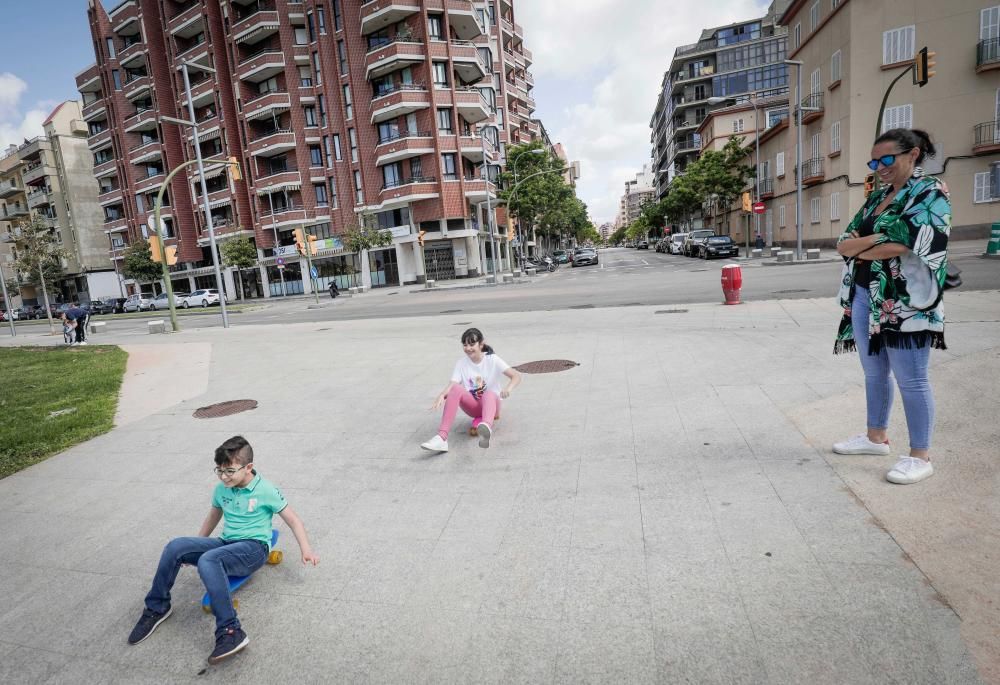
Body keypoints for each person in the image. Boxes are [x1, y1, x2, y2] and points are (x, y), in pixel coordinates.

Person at [127, 436, 319, 664]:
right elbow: (213, 516)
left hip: (254, 548)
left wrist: (306, 549)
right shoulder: (222, 489)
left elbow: (293, 519)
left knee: (209, 560)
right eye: (219, 470)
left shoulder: (266, 490)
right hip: (226, 543)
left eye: (229, 471)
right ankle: (157, 607)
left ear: (248, 467)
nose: (223, 476)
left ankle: (231, 631)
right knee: (176, 546)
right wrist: (195, 545)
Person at [832, 128, 950, 485]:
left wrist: (864, 246)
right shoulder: (877, 197)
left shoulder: (929, 191)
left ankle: (920, 455)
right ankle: (875, 437)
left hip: (905, 301)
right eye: (875, 161)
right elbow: (842, 242)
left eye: (887, 159)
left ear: (912, 154)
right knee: (874, 372)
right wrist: (875, 242)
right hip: (866, 294)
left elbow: (906, 243)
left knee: (912, 379)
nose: (880, 167)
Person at [421, 327, 522, 452]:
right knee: (456, 388)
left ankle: (486, 429)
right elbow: (453, 384)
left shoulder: (492, 359)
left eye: (472, 344)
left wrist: (508, 389)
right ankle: (442, 438)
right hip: (473, 407)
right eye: (465, 345)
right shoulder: (461, 363)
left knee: (489, 394)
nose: (468, 348)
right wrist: (442, 395)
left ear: (481, 344)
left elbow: (516, 376)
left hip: (492, 406)